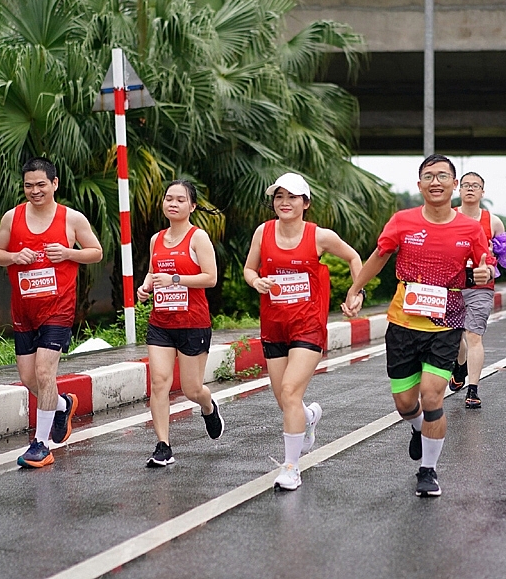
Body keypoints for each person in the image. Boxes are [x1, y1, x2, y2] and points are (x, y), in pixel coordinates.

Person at [342, 154, 491, 498]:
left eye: (443, 176)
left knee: (431, 395)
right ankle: (417, 428)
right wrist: (355, 288)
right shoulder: (402, 221)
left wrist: (483, 274)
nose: (435, 182)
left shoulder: (470, 228)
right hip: (403, 324)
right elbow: (379, 256)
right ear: (420, 184)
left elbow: (484, 266)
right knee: (405, 403)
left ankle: (428, 470)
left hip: (446, 324)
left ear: (454, 185)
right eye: (429, 176)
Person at [243, 172, 363, 491]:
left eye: (292, 197)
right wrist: (256, 281)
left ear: (305, 203)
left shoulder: (319, 236)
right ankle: (308, 417)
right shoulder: (263, 232)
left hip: (308, 325)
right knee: (285, 399)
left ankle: (291, 467)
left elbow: (353, 257)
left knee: (290, 392)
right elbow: (249, 268)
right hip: (274, 325)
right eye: (279, 196)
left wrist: (356, 292)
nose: (284, 202)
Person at [0, 157, 103, 468]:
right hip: (24, 309)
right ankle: (63, 404)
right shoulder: (12, 218)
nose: (35, 191)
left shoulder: (71, 218)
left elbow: (96, 252)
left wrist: (68, 253)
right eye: (29, 185)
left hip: (59, 308)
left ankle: (41, 444)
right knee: (28, 378)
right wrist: (13, 256)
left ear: (54, 184)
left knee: (44, 372)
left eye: (41, 184)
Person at [137, 180, 224, 468]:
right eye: (168, 199)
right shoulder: (156, 239)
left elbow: (210, 278)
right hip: (161, 323)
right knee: (159, 382)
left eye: (180, 200)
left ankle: (208, 407)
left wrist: (175, 279)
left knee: (191, 389)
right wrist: (146, 286)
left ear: (192, 206)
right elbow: (153, 272)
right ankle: (163, 445)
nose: (172, 204)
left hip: (192, 323)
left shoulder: (198, 238)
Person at [447, 172, 504, 409]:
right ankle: (460, 367)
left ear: (483, 191)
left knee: (473, 335)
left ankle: (473, 389)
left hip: (481, 287)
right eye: (466, 185)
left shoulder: (494, 221)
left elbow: (504, 256)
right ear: (458, 190)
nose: (470, 189)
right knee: (455, 335)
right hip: (452, 285)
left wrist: (492, 265)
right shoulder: (448, 216)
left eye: (476, 186)